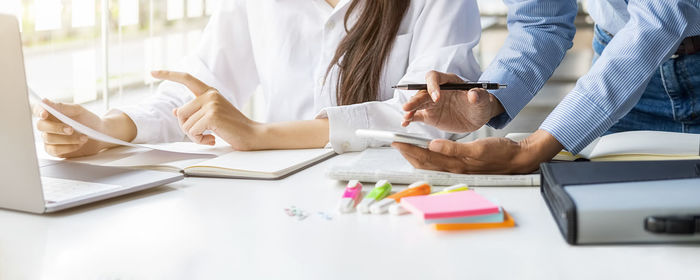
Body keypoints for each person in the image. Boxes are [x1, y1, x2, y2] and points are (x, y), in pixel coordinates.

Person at [35, 0, 482, 158]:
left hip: (397, 200)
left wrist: (259, 134)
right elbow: (198, 90)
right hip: (279, 207)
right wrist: (108, 130)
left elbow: (433, 117)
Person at [393, 0, 700, 174]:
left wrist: (532, 148)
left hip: (629, 61)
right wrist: (491, 97)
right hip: (620, 65)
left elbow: (659, 21)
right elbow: (541, 19)